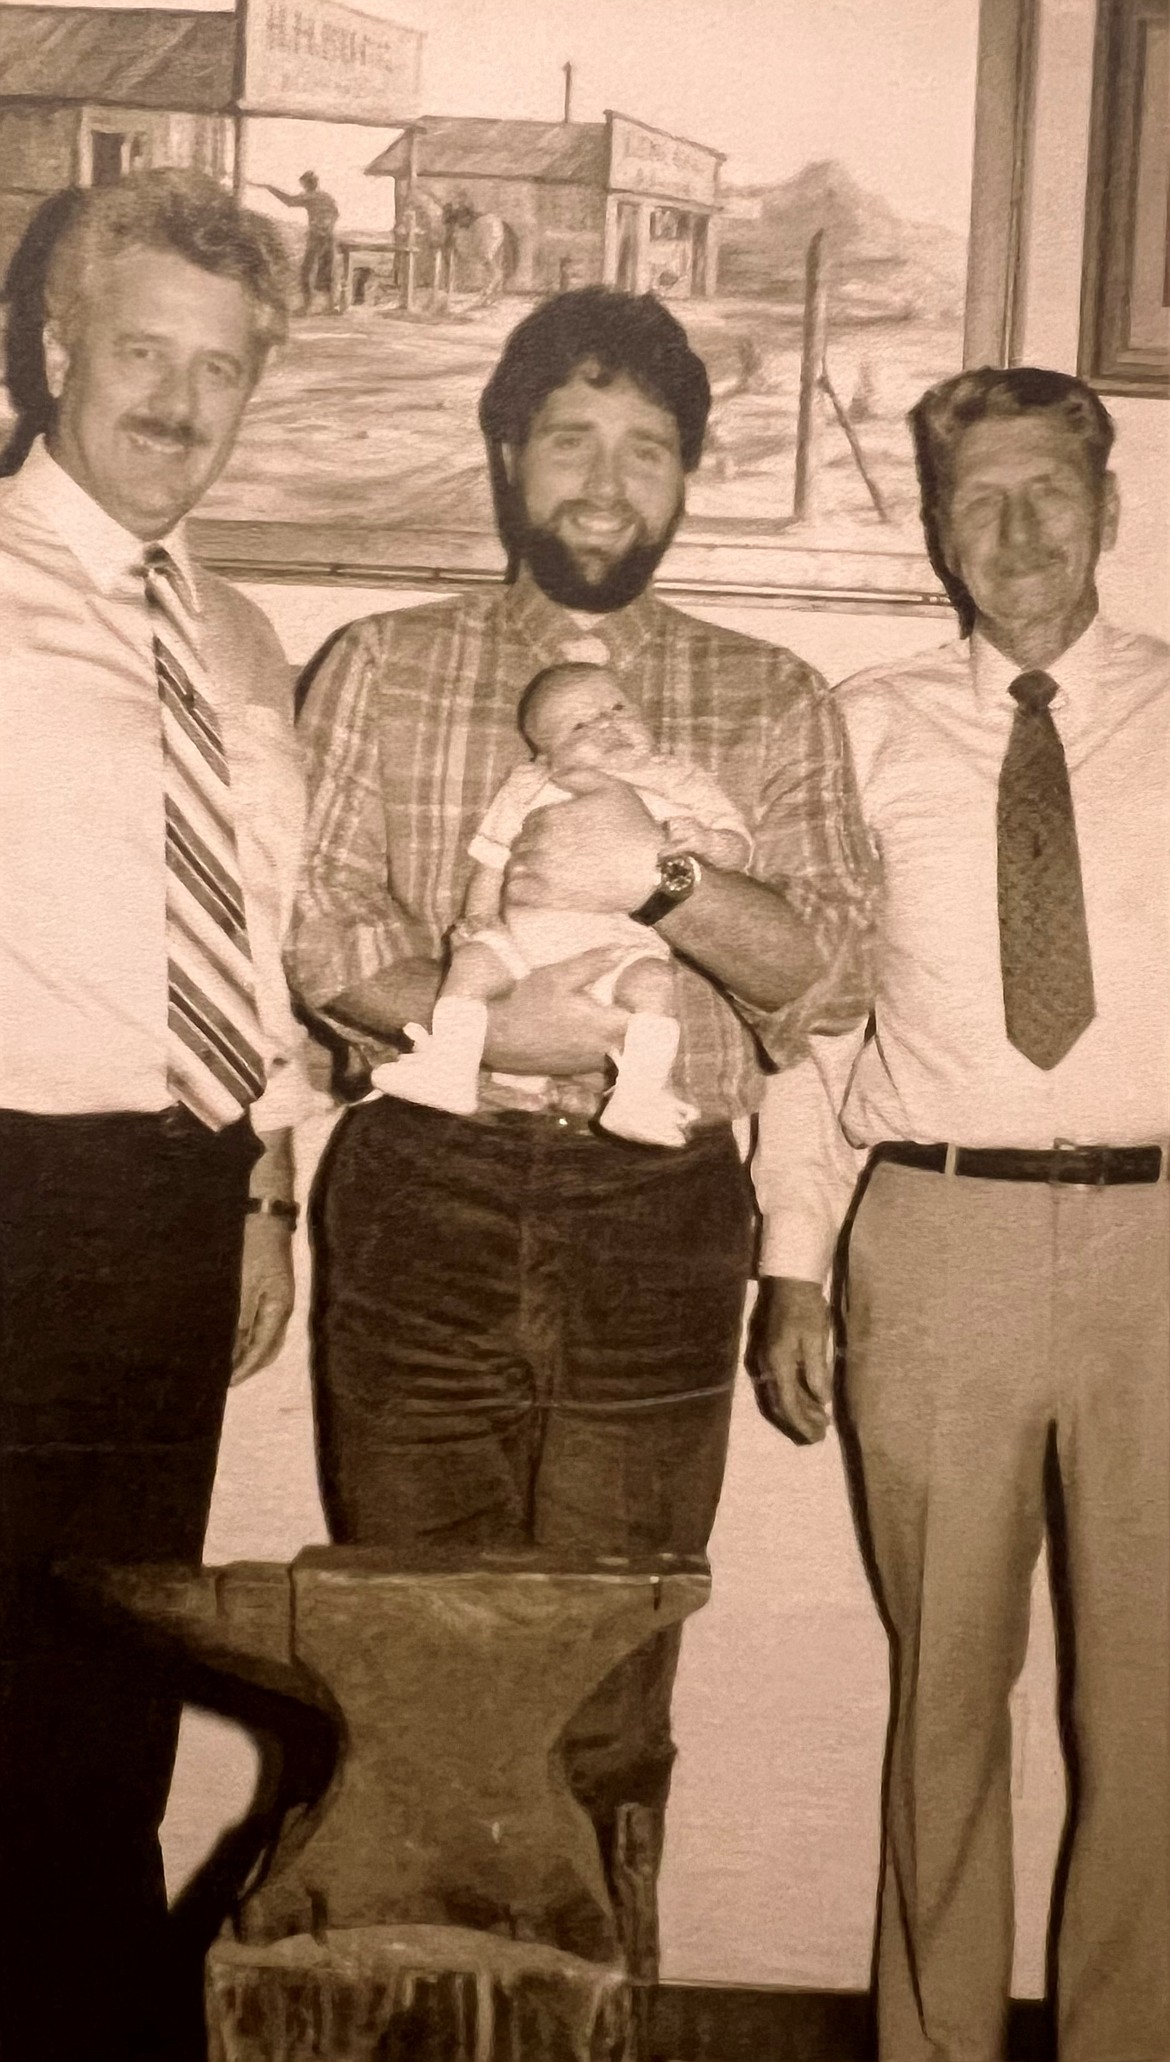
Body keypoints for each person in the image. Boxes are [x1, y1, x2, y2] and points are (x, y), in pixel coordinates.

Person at [286, 287, 873, 1983]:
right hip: (421, 1200)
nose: (607, 484)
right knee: (405, 1673)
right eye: (570, 439)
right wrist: (477, 1034)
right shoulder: (386, 665)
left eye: (649, 448)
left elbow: (827, 979)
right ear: (503, 455)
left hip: (656, 1216)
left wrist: (668, 882)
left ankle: (594, 2024)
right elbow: (321, 937)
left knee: (611, 1692)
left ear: (690, 474)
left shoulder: (768, 695)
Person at [752, 367, 1169, 2062]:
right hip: (933, 1234)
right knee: (947, 1703)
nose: (1015, 529)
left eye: (1048, 492)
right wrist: (793, 1262)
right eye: (977, 499)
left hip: (1161, 1243)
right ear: (935, 529)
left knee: (1148, 1704)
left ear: (1110, 508)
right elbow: (812, 1021)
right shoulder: (859, 728)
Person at [0, 169, 327, 2062]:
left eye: (222, 372)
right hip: (13, 1181)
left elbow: (251, 938)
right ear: (57, 353)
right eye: (146, 354)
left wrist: (266, 1190)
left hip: (176, 1204)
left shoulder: (245, 638)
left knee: (111, 1682)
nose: (182, 406)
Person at [378, 657, 752, 1146]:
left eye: (618, 707)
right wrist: (478, 920)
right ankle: (449, 1067)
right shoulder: (529, 786)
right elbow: (492, 861)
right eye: (580, 724)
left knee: (655, 984)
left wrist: (706, 841)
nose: (608, 724)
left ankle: (639, 1094)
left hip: (620, 941)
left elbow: (739, 848)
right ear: (545, 755)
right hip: (523, 938)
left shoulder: (678, 779)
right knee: (471, 965)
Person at [263, 171, 339, 313]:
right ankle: (329, 306)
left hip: (317, 237)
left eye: (303, 184)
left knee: (306, 271)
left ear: (306, 184)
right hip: (327, 236)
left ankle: (307, 305)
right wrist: (327, 226)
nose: (302, 187)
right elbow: (335, 213)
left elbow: (289, 202)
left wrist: (270, 188)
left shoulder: (311, 196)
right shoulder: (326, 197)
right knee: (325, 270)